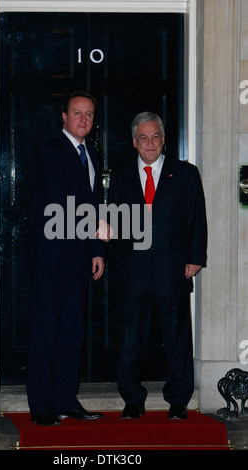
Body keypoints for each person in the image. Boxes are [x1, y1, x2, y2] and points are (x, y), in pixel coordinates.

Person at [109, 111, 207, 420]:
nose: (149, 143)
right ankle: (132, 399)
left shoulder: (186, 173)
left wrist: (195, 257)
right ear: (134, 142)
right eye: (143, 137)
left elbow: (197, 219)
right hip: (133, 270)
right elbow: (113, 220)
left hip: (172, 268)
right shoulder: (121, 174)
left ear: (163, 140)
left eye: (155, 137)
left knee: (176, 337)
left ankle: (178, 400)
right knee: (131, 339)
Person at [25, 90, 105, 426]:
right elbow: (64, 203)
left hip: (79, 257)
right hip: (50, 256)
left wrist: (97, 251)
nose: (83, 119)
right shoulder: (50, 152)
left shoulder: (93, 155)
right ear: (63, 116)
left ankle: (66, 399)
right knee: (46, 330)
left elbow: (96, 205)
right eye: (77, 113)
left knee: (72, 332)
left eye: (88, 114)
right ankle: (42, 406)